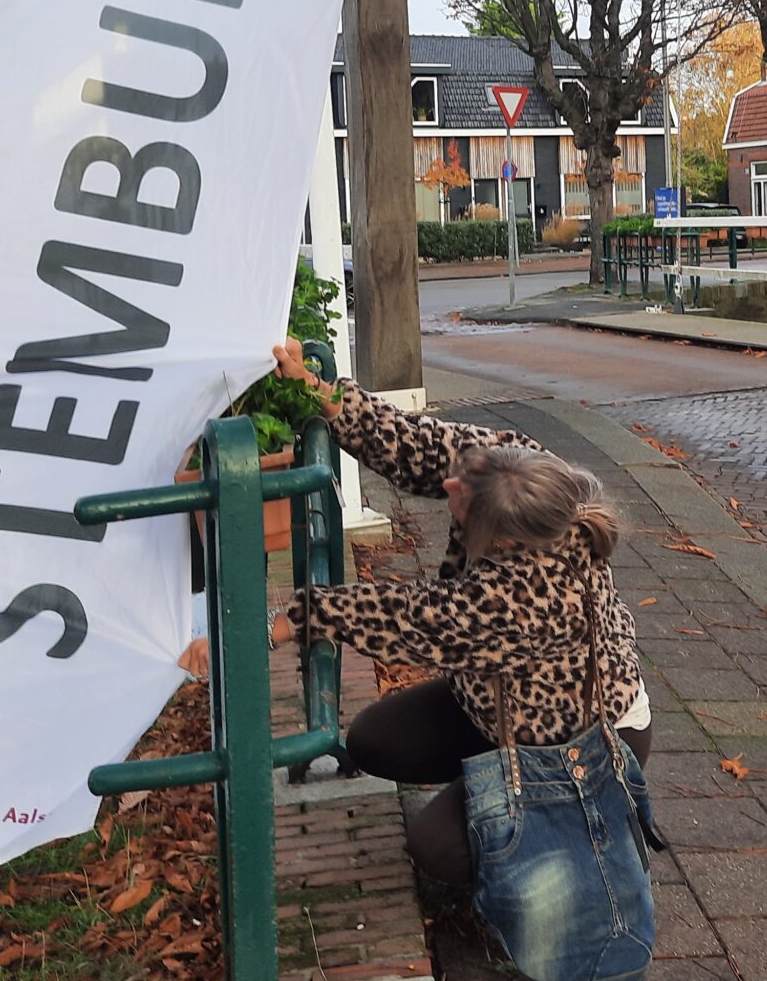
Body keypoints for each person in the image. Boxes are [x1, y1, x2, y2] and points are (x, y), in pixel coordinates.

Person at [264, 339, 652, 888]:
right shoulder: (520, 468)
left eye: (459, 498)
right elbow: (419, 444)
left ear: (497, 538)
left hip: (577, 741)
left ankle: (576, 837)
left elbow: (406, 616)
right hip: (496, 703)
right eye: (464, 474)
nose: (448, 483)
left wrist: (289, 620)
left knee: (437, 850)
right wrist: (321, 393)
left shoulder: (521, 599)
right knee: (373, 740)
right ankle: (494, 782)